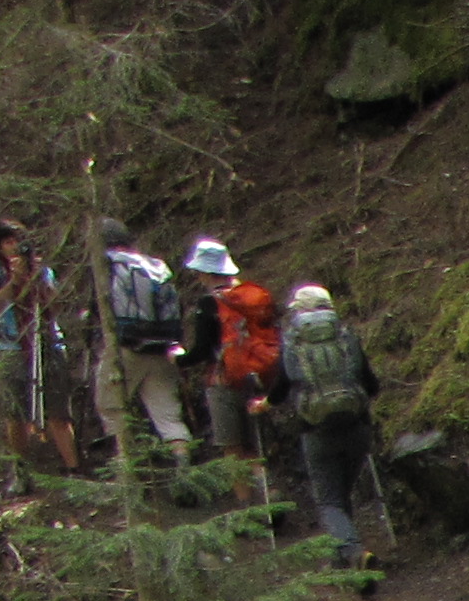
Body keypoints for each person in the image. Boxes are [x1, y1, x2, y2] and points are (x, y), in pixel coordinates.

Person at [265, 284, 380, 579]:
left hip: (317, 430)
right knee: (341, 493)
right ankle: (343, 558)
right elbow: (371, 384)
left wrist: (264, 403)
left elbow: (281, 388)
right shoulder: (346, 336)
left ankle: (353, 553)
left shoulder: (293, 341)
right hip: (356, 426)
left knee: (329, 500)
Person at [0, 220, 81, 476]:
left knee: (58, 411)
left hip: (47, 342)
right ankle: (21, 470)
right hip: (10, 348)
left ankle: (73, 469)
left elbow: (56, 306)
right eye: (8, 242)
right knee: (15, 413)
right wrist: (14, 282)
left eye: (18, 240)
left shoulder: (41, 269)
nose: (15, 246)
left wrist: (38, 280)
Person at [91, 219, 194, 454]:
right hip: (164, 349)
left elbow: (100, 307)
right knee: (169, 418)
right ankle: (184, 467)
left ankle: (126, 465)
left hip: (126, 348)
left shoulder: (107, 265)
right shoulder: (155, 265)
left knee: (111, 408)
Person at [183, 239, 278, 474]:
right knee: (257, 445)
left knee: (232, 447)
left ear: (206, 272)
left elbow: (202, 349)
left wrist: (178, 359)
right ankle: (268, 488)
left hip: (224, 379)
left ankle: (245, 496)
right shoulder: (253, 297)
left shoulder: (209, 303)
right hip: (260, 375)